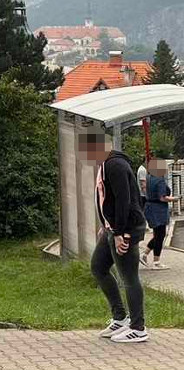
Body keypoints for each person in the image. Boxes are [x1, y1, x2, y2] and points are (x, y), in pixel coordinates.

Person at [78, 127, 149, 343]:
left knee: (129, 277)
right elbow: (106, 198)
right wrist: (105, 224)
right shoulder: (105, 164)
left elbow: (123, 200)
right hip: (112, 228)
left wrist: (120, 232)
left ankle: (138, 327)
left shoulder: (115, 165)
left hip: (125, 229)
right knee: (98, 267)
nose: (85, 155)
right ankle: (120, 317)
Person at [141, 158, 179, 270]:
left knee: (158, 234)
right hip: (158, 210)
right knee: (160, 235)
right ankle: (156, 262)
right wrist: (175, 199)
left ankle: (144, 254)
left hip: (149, 207)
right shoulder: (160, 180)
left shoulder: (149, 177)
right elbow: (163, 198)